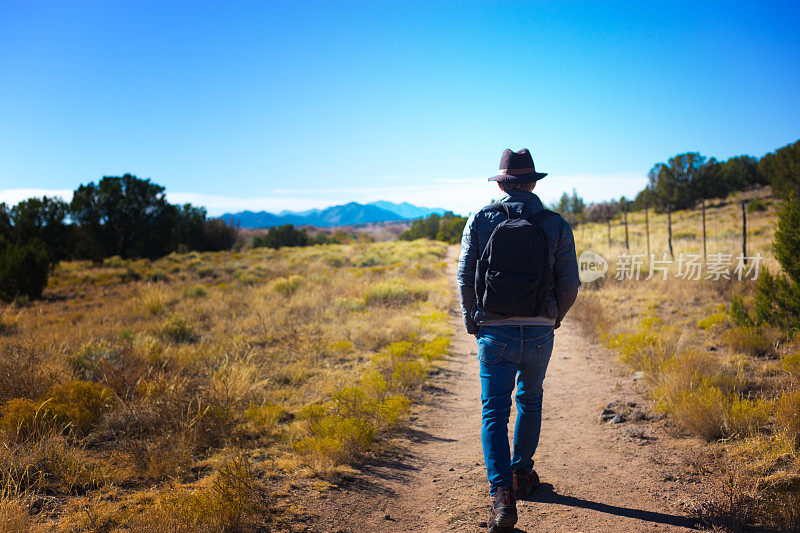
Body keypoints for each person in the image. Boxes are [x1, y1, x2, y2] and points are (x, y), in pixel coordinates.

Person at [457, 148, 580, 532]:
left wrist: (472, 319)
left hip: (495, 330)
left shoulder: (481, 218)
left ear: (503, 183)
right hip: (540, 330)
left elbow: (464, 275)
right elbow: (571, 282)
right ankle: (522, 474)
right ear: (532, 182)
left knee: (494, 410)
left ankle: (502, 496)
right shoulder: (555, 223)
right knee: (531, 399)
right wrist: (552, 318)